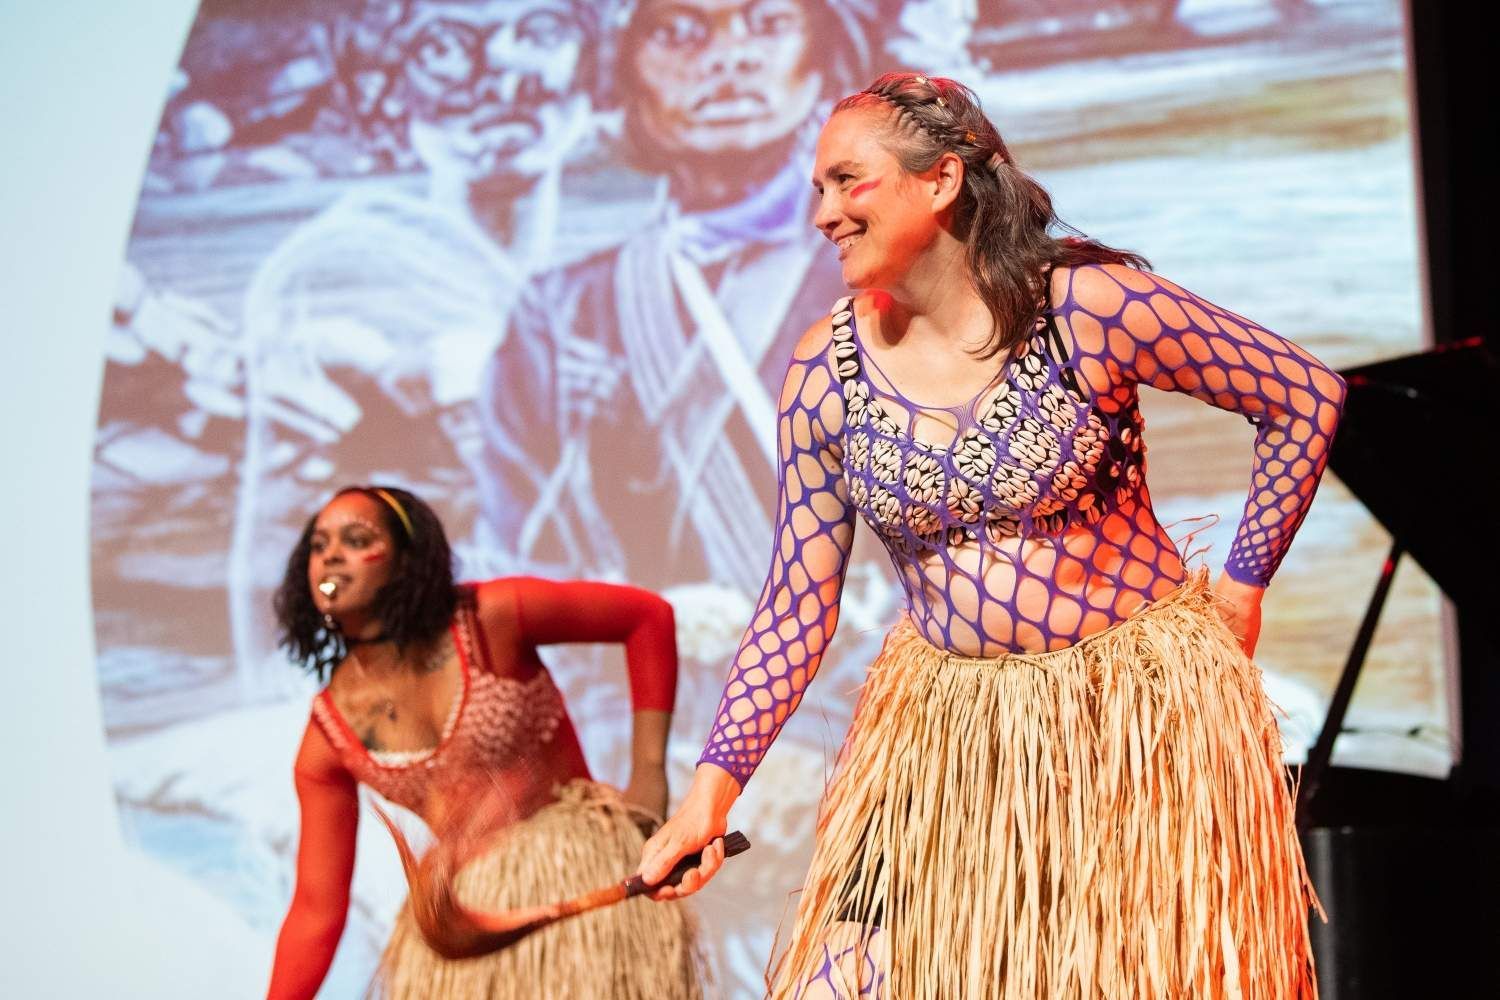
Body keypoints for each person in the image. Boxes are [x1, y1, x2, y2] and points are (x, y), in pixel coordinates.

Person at [638, 73, 1342, 998]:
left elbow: (1303, 394)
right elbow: (794, 604)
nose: (823, 214)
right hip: (949, 731)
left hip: (1126, 722)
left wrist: (1243, 587)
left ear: (940, 182)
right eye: (816, 190)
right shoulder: (824, 372)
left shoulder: (1089, 308)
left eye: (848, 181)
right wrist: (710, 791)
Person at [228, 0, 609, 693]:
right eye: (444, 47)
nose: (500, 76)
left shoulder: (598, 279)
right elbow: (290, 552)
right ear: (387, 86)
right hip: (391, 695)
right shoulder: (344, 269)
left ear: (593, 68)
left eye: (539, 35)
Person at [478, 0, 878, 591]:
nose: (727, 59)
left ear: (824, 57)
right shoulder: (562, 313)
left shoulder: (899, 273)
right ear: (624, 74)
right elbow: (523, 557)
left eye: (767, 24)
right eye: (677, 32)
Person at [265, 485, 701, 998]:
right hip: (468, 928)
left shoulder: (487, 618)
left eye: (356, 538)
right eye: (318, 546)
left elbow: (646, 617)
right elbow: (317, 910)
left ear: (407, 561)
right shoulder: (329, 734)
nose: (331, 555)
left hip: (583, 891)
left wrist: (648, 778)